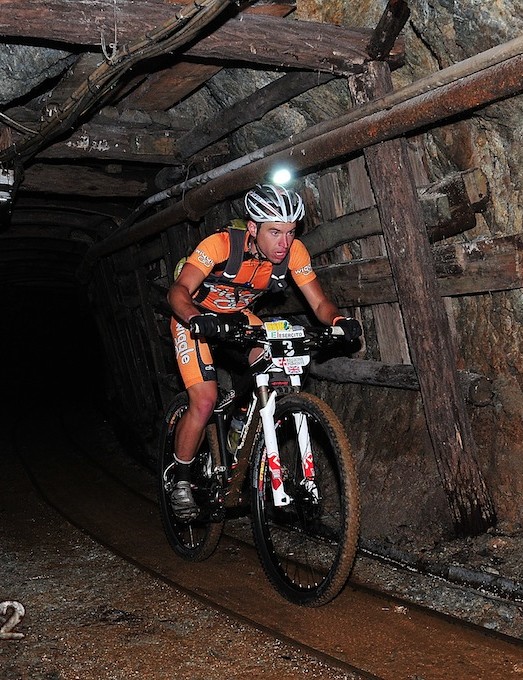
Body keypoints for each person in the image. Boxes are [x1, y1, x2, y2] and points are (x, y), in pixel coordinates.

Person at [167, 183, 361, 521]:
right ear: (253, 228)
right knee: (204, 400)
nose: (283, 243)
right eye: (275, 232)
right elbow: (178, 291)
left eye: (290, 232)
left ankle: (240, 426)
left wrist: (339, 321)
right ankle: (180, 479)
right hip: (195, 318)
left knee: (277, 368)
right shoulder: (221, 245)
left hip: (240, 318)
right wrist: (198, 320)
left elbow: (318, 302)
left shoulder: (294, 252)